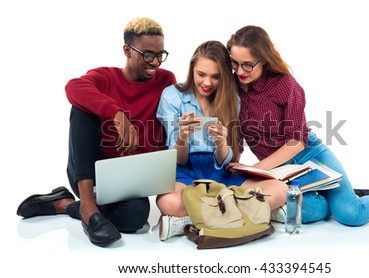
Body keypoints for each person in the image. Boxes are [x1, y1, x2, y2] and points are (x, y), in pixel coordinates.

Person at [226, 25, 369, 227]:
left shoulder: (285, 85)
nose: (240, 71)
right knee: (306, 211)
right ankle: (343, 195)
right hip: (278, 168)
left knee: (350, 214)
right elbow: (236, 132)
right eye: (234, 63)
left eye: (248, 64)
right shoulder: (232, 87)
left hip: (309, 155)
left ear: (264, 59)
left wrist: (254, 169)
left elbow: (298, 142)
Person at [16, 17, 176, 247]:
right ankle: (88, 205)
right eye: (147, 54)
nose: (155, 62)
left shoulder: (165, 80)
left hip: (130, 178)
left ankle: (65, 204)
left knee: (136, 216)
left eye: (160, 55)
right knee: (82, 107)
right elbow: (73, 87)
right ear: (127, 50)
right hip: (90, 175)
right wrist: (116, 113)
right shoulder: (105, 77)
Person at [156, 40, 289, 241]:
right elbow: (179, 160)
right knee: (167, 202)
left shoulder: (232, 98)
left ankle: (188, 220)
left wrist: (221, 143)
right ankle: (251, 212)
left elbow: (231, 157)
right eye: (201, 74)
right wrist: (182, 137)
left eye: (215, 77)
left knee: (280, 190)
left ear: (224, 76)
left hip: (222, 171)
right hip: (185, 170)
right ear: (192, 68)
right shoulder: (172, 96)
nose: (207, 83)